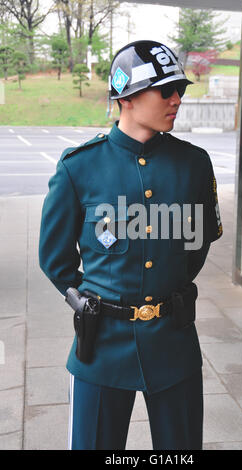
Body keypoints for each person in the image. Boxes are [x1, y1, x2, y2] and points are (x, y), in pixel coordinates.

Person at [39, 40, 223, 451]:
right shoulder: (78, 168)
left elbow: (196, 248)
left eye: (182, 89)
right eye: (165, 90)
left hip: (173, 344)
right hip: (102, 348)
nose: (177, 99)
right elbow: (54, 260)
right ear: (127, 97)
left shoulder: (193, 165)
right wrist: (97, 299)